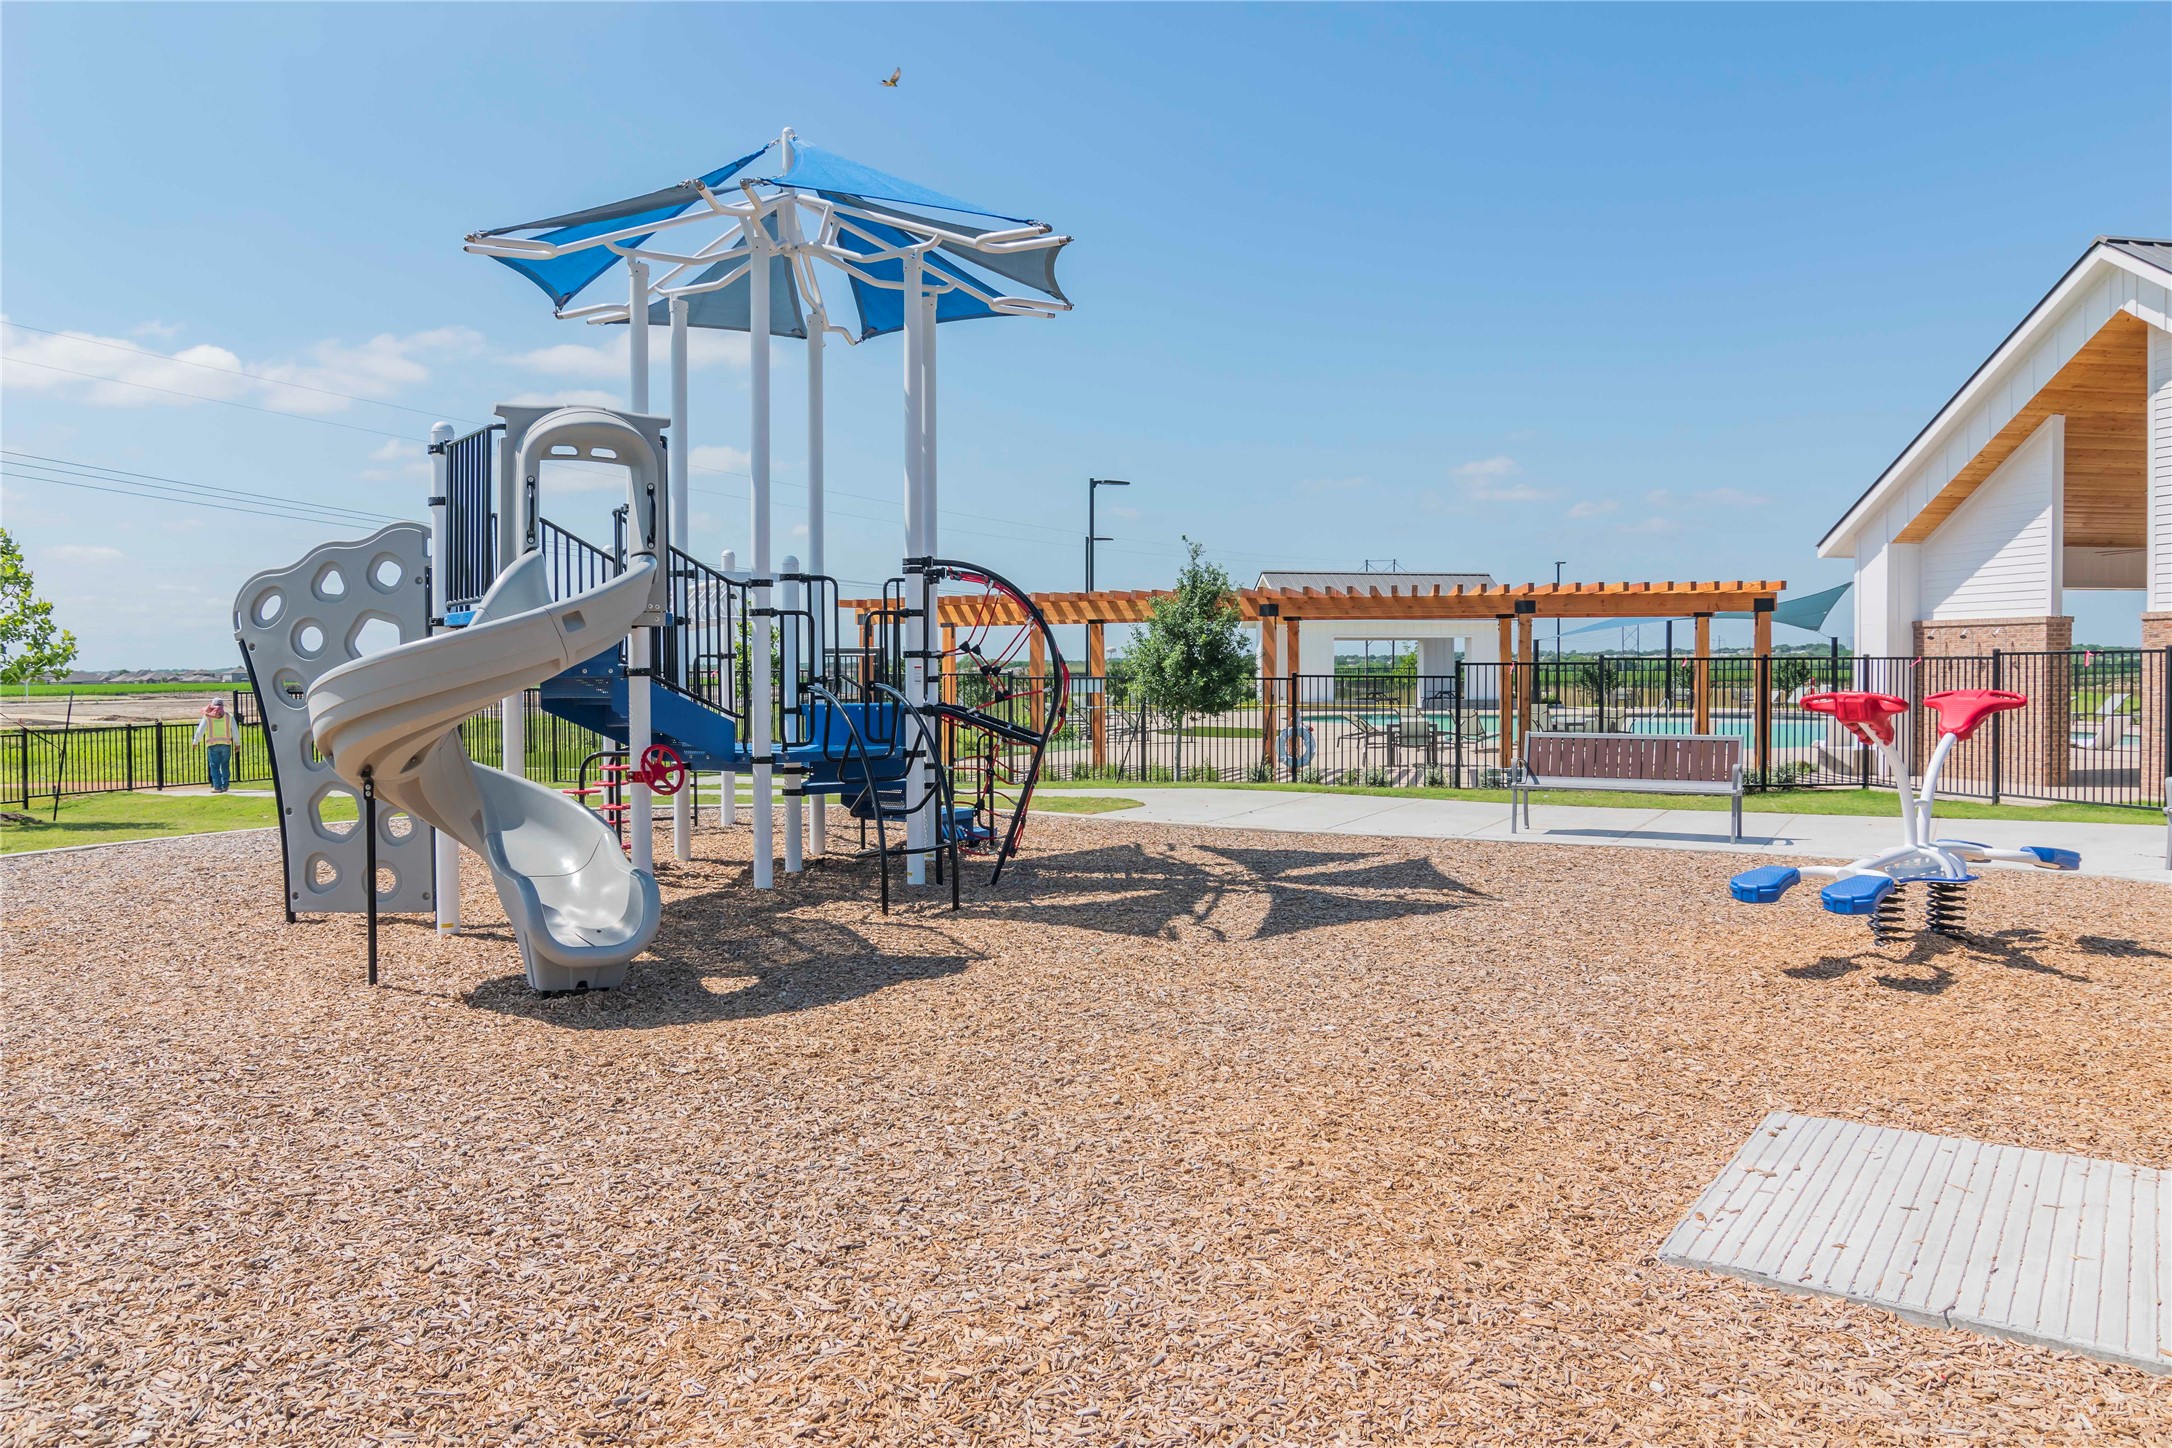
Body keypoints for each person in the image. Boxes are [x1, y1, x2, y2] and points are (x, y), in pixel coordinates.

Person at [194, 699, 239, 793]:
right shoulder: (229, 717)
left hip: (212, 745)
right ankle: (225, 785)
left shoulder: (207, 717)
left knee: (214, 766)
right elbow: (235, 731)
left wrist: (195, 741)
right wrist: (237, 743)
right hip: (226, 745)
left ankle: (217, 787)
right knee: (225, 765)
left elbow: (200, 731)